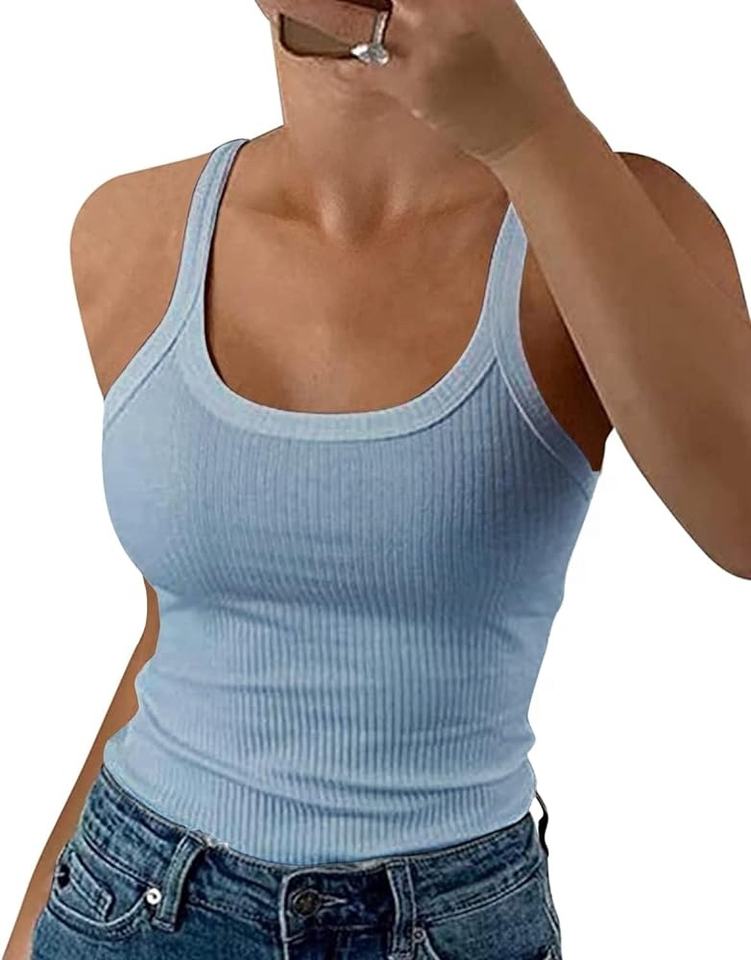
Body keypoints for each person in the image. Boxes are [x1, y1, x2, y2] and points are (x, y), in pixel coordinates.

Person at [11, 1, 751, 958]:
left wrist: (531, 129)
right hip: (129, 894)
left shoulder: (612, 216)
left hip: (447, 919)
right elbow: (176, 630)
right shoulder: (131, 233)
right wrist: (29, 929)